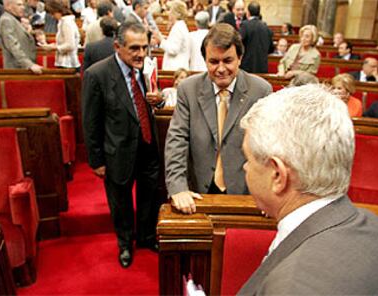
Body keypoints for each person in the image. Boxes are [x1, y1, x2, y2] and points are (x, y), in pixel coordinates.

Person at [237, 84, 378, 295]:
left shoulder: (293, 287)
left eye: (248, 159)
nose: (245, 167)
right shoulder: (374, 226)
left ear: (278, 176)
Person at [164, 23, 272, 214]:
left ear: (240, 58)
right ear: (205, 60)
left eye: (228, 60)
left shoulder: (260, 91)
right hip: (198, 191)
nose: (221, 69)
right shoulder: (188, 90)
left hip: (245, 192)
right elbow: (177, 140)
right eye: (214, 61)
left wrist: (267, 192)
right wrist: (178, 188)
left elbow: (269, 147)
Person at [82, 23, 162, 268]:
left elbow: (152, 104)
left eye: (145, 47)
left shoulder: (147, 68)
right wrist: (96, 161)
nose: (141, 53)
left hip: (148, 146)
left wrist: (157, 101)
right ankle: (125, 243)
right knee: (121, 202)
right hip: (117, 152)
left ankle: (147, 236)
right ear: (117, 47)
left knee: (150, 197)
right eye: (134, 48)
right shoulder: (97, 74)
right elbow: (90, 121)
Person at [0, 0, 42, 73]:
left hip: (23, 67)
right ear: (8, 6)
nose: (23, 7)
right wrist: (29, 65)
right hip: (17, 68)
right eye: (19, 5)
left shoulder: (14, 19)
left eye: (23, 5)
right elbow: (13, 46)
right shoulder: (7, 20)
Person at [152, 0, 190, 70]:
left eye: (171, 11)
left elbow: (173, 50)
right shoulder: (180, 26)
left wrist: (160, 40)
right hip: (177, 67)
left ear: (177, 13)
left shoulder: (178, 27)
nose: (169, 13)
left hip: (175, 68)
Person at [43, 0, 81, 70]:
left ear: (57, 11)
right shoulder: (63, 22)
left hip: (68, 63)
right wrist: (54, 45)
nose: (52, 16)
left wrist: (54, 48)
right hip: (64, 62)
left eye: (52, 13)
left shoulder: (66, 23)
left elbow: (70, 45)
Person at [240, 1, 273, 73]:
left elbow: (239, 44)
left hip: (247, 67)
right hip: (262, 67)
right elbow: (271, 49)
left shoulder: (245, 25)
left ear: (248, 12)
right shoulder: (266, 28)